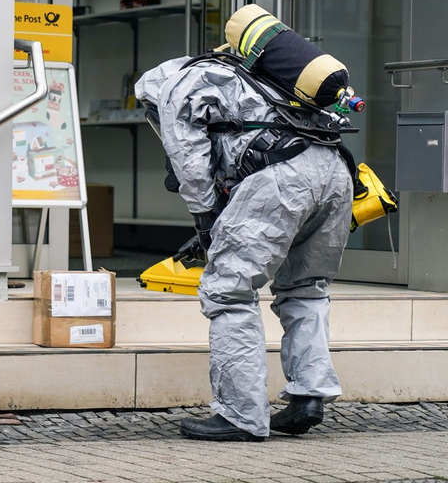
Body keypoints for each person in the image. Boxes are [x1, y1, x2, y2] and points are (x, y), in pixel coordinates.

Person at [135, 52, 353, 442]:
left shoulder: (176, 85)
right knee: (307, 287)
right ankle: (308, 396)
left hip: (282, 177)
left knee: (229, 292)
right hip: (335, 170)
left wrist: (204, 214)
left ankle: (240, 416)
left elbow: (188, 155)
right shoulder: (264, 78)